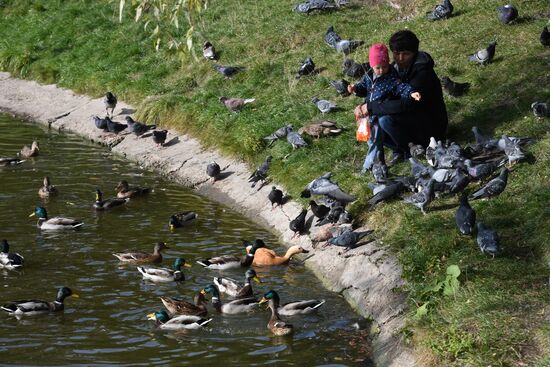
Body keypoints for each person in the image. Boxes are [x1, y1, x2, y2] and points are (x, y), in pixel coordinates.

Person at [352, 30, 448, 169]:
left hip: (431, 125)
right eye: (397, 54)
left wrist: (372, 107)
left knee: (384, 119)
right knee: (371, 122)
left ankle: (409, 150)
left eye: (406, 54)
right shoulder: (392, 69)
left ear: (414, 53)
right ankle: (400, 149)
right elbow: (382, 92)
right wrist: (363, 107)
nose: (401, 58)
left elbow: (407, 104)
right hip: (411, 120)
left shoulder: (422, 72)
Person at [348, 43, 421, 170]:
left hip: (383, 113)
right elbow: (363, 89)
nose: (381, 70)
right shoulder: (369, 77)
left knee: (376, 139)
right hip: (369, 114)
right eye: (378, 68)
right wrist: (355, 89)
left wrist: (411, 93)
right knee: (371, 138)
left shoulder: (391, 78)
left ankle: (370, 165)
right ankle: (385, 157)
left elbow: (401, 87)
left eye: (385, 66)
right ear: (371, 66)